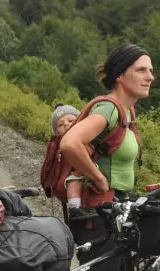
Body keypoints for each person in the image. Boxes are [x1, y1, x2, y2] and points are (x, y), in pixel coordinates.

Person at [58, 43, 152, 206]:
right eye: (141, 70)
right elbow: (69, 143)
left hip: (117, 205)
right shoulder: (109, 108)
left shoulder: (127, 111)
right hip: (100, 211)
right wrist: (99, 178)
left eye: (150, 70)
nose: (150, 77)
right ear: (119, 75)